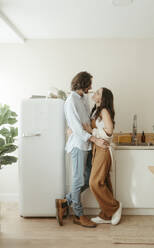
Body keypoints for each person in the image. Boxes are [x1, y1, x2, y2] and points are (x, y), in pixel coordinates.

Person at [55, 71, 107, 228]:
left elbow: (86, 122)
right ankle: (78, 215)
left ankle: (65, 201)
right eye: (89, 84)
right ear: (82, 84)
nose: (91, 87)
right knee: (78, 180)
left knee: (89, 179)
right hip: (78, 145)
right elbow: (77, 128)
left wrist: (94, 134)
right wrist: (95, 138)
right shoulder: (70, 101)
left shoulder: (83, 98)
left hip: (87, 144)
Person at [83, 87, 122, 225]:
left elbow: (109, 131)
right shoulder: (96, 110)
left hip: (103, 150)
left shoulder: (104, 110)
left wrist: (92, 131)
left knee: (94, 182)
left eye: (98, 93)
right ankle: (106, 215)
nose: (95, 94)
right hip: (96, 149)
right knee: (103, 182)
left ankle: (115, 207)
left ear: (103, 98)